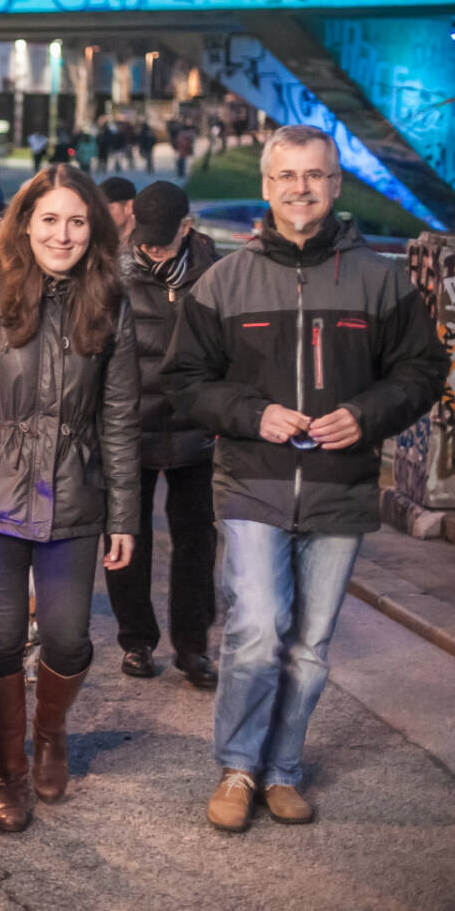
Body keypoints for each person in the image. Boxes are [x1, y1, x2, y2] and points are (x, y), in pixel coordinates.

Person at [162, 125, 448, 832]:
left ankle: (282, 768)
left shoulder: (382, 280)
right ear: (267, 186)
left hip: (341, 486)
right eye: (287, 176)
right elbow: (183, 382)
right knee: (257, 627)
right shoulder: (223, 280)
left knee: (311, 645)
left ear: (335, 184)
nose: (300, 188)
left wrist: (366, 413)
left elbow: (422, 370)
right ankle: (236, 766)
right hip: (253, 480)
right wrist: (251, 413)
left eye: (314, 175)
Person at [0, 163, 140, 833]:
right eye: (49, 219)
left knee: (70, 639)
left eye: (76, 220)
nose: (63, 233)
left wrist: (125, 514)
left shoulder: (109, 298)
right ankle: (8, 772)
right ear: (25, 224)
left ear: (93, 229)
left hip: (75, 497)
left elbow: (121, 415)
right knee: (3, 637)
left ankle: (49, 734)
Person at [104, 180, 221, 688]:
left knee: (196, 541)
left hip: (198, 430)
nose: (151, 250)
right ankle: (137, 641)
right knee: (127, 536)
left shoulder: (217, 274)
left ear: (187, 228)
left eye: (163, 241)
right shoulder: (113, 276)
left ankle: (193, 647)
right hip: (131, 428)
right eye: (145, 239)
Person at [99, 176, 137, 251]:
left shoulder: (147, 248)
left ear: (129, 207)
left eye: (108, 208)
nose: (101, 214)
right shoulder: (99, 245)